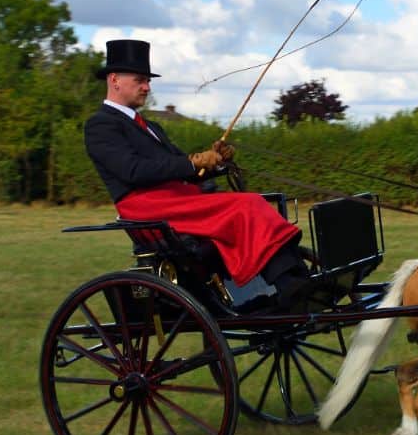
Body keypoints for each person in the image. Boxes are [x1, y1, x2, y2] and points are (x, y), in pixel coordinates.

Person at [84, 39, 311, 310]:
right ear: (114, 80)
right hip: (147, 207)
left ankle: (296, 276)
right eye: (140, 80)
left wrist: (214, 163)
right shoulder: (101, 125)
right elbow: (133, 171)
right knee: (246, 206)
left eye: (148, 81)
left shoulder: (151, 126)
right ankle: (290, 285)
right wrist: (192, 163)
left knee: (250, 202)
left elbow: (185, 167)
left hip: (176, 198)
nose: (147, 87)